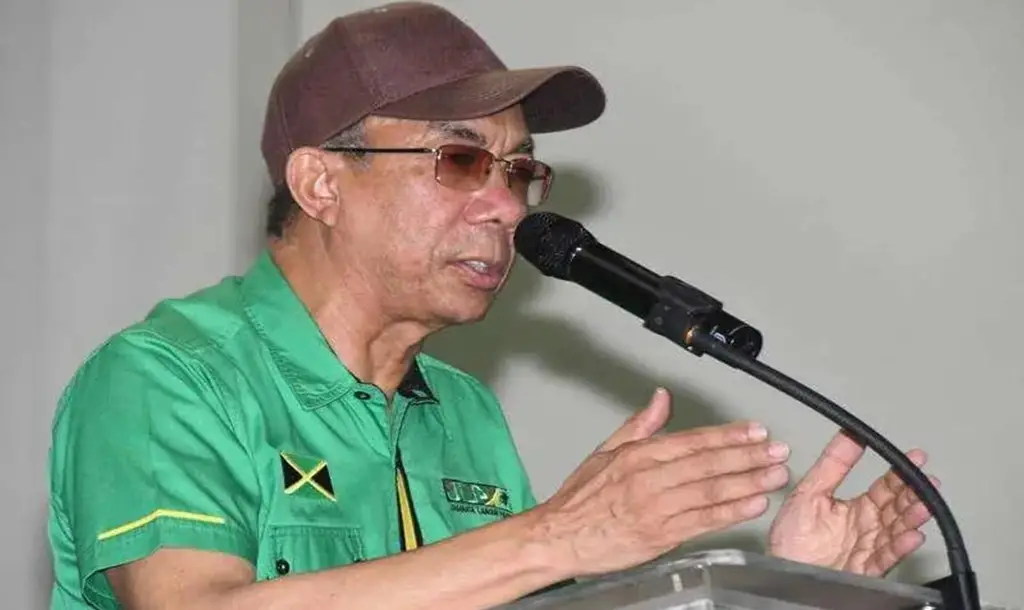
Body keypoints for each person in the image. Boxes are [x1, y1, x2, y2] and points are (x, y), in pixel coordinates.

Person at [46, 3, 939, 609]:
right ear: (320, 183)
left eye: (518, 171)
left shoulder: (464, 412)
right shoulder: (167, 377)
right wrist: (555, 537)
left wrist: (785, 590)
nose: (508, 207)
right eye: (462, 161)